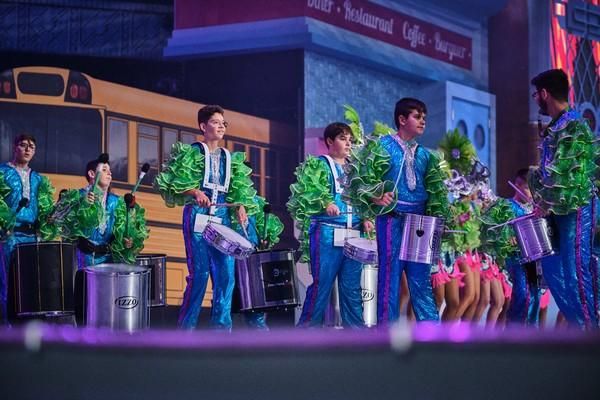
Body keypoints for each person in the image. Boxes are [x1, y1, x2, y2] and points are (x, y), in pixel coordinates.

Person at [345, 98, 449, 324]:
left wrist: (439, 220)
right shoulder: (382, 146)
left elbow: (436, 194)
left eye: (424, 117)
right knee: (389, 280)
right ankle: (386, 338)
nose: (423, 121)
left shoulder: (425, 155)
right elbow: (358, 180)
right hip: (392, 220)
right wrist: (376, 195)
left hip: (420, 224)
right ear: (402, 120)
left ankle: (433, 338)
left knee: (421, 281)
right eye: (417, 116)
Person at [155, 105, 257, 330]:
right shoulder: (192, 152)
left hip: (222, 217)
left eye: (223, 122)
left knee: (226, 276)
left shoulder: (230, 158)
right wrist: (195, 192)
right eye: (215, 122)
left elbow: (237, 190)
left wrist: (240, 206)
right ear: (203, 126)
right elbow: (172, 182)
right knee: (200, 274)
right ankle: (186, 330)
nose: (221, 125)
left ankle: (222, 331)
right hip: (198, 216)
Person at [529, 68, 599, 329]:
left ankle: (590, 335)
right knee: (551, 269)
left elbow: (568, 177)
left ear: (544, 94)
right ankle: (580, 327)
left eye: (536, 95)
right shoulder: (554, 127)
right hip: (557, 212)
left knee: (575, 271)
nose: (536, 100)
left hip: (577, 207)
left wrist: (545, 202)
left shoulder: (574, 125)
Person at [288, 122, 373, 328]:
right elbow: (306, 191)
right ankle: (307, 335)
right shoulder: (319, 164)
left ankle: (357, 336)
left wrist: (366, 218)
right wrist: (325, 202)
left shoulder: (355, 170)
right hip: (327, 232)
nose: (348, 143)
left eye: (350, 140)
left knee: (352, 287)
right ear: (329, 141)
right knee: (321, 285)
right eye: (343, 139)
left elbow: (363, 199)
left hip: (354, 234)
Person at [0, 134, 55, 321]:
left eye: (31, 146)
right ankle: (5, 329)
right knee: (6, 283)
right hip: (9, 235)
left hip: (32, 236)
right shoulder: (2, 172)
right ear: (15, 147)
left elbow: (44, 206)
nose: (27, 149)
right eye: (23, 145)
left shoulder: (38, 178)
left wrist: (48, 220)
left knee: (29, 283)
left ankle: (25, 329)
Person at [504, 168, 541, 326]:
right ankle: (514, 332)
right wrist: (507, 237)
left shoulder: (535, 209)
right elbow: (496, 233)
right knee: (522, 294)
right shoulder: (506, 206)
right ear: (517, 185)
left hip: (533, 259)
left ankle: (532, 334)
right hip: (515, 259)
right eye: (528, 188)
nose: (532, 193)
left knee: (535, 294)